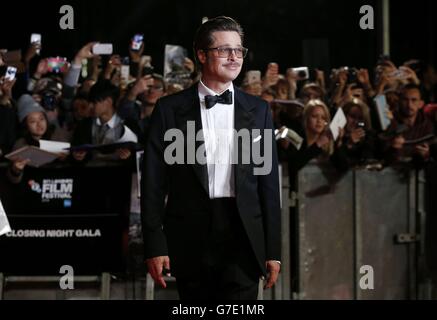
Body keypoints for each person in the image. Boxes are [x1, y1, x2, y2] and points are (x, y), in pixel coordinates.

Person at [141, 16, 281, 300]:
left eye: (238, 50)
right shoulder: (169, 110)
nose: (234, 56)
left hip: (244, 236)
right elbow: (154, 185)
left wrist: (273, 250)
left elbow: (268, 184)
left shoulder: (259, 110)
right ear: (201, 55)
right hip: (190, 236)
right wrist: (155, 245)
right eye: (224, 49)